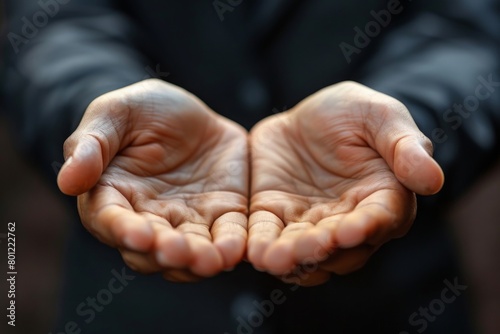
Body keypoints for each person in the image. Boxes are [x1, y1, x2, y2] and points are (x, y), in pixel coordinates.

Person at [2, 0, 499, 333]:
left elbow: (470, 30)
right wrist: (101, 106)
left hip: (389, 307)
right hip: (132, 310)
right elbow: (52, 19)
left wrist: (400, 123)